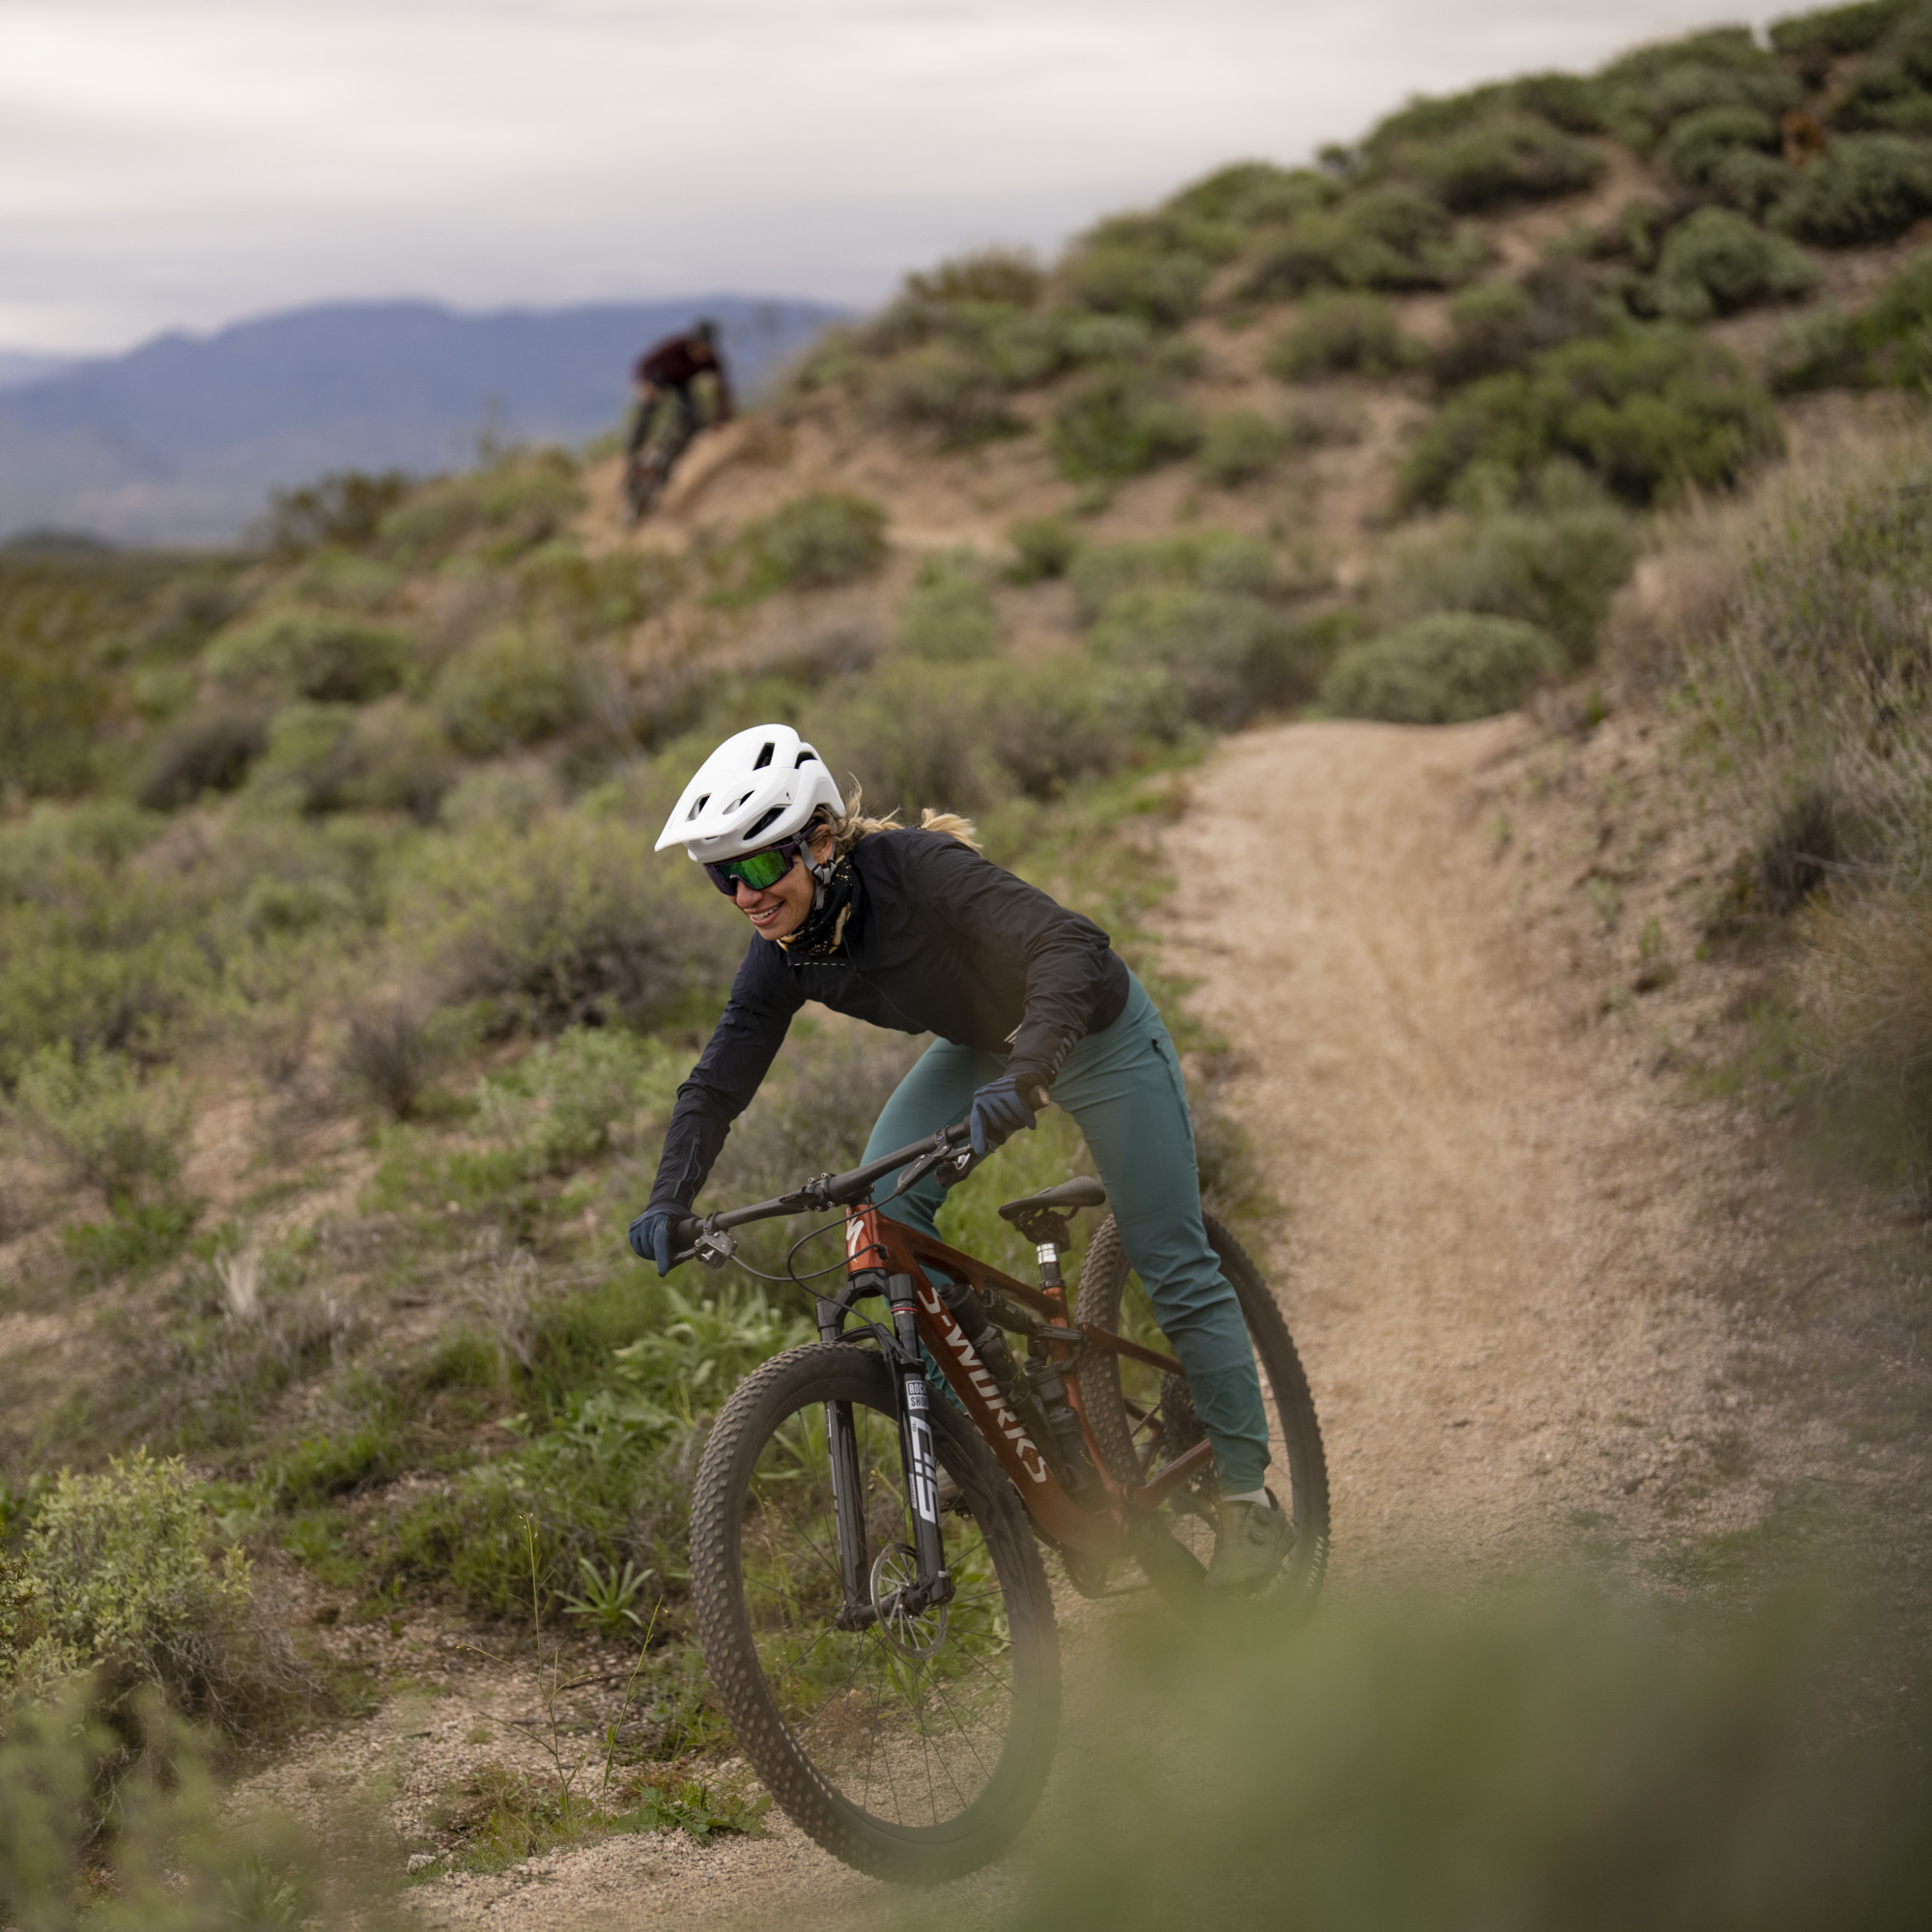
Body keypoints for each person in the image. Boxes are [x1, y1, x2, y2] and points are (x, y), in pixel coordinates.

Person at [629, 723, 1291, 1593]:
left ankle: (1249, 1497)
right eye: (724, 876)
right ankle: (1001, 1433)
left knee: (1170, 1258)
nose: (745, 895)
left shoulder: (914, 871)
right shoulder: (785, 952)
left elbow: (1071, 947)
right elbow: (716, 1082)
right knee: (883, 1222)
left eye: (759, 865)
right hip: (982, 1049)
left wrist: (1029, 1073)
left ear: (821, 841)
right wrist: (669, 1198)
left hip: (1093, 1031)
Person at [623, 318, 733, 501]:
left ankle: (669, 462)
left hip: (682, 386)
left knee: (693, 421)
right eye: (698, 347)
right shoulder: (677, 346)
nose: (700, 352)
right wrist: (645, 384)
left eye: (705, 348)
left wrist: (721, 418)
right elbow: (646, 363)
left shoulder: (711, 358)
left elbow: (721, 390)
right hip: (659, 380)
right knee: (647, 412)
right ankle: (634, 450)